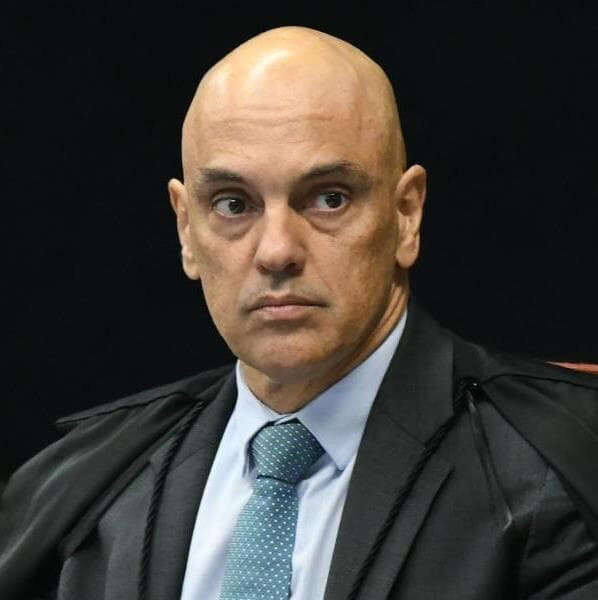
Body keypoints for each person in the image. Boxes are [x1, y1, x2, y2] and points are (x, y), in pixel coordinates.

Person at [1, 25, 598, 600]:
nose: (277, 251)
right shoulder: (79, 487)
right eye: (233, 204)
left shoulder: (564, 467)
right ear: (186, 229)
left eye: (328, 198)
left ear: (406, 215)